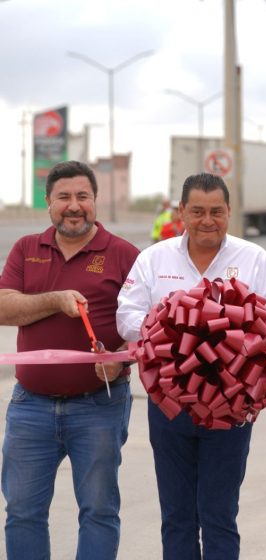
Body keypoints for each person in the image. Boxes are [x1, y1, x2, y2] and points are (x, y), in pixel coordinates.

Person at [116, 172, 266, 559]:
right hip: (169, 406)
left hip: (231, 408)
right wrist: (170, 325)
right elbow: (126, 318)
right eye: (197, 211)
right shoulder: (153, 259)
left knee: (220, 515)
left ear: (229, 212)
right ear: (181, 213)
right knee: (176, 516)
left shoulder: (255, 259)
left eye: (216, 211)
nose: (207, 220)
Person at [0, 160, 139, 560]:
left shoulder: (124, 255)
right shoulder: (27, 249)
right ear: (48, 203)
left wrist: (120, 362)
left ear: (95, 202)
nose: (73, 205)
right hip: (30, 405)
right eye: (64, 197)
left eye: (83, 196)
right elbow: (4, 308)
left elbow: (145, 328)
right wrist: (55, 300)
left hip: (99, 404)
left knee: (98, 511)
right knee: (22, 512)